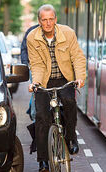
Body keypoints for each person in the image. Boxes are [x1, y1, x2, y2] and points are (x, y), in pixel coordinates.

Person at [27, 4, 86, 172]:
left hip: (64, 78)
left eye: (50, 19)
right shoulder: (32, 37)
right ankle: (43, 160)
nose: (47, 23)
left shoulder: (68, 33)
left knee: (69, 102)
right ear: (39, 21)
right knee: (41, 117)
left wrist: (80, 77)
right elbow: (36, 64)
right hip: (44, 81)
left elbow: (77, 57)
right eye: (44, 20)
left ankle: (71, 138)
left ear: (55, 19)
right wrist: (35, 83)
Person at [21, 24, 39, 154]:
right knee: (37, 92)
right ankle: (34, 117)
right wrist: (25, 65)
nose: (47, 23)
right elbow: (24, 49)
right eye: (44, 19)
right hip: (35, 67)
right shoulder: (31, 32)